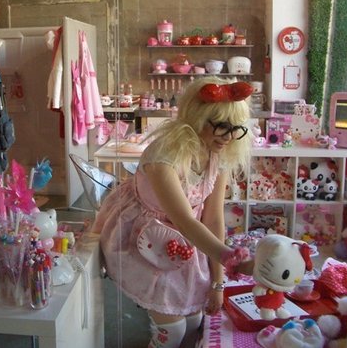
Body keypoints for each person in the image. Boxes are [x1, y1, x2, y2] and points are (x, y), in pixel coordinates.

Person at [92, 76, 255, 348]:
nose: (228, 137)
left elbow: (212, 218)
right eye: (221, 126)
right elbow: (186, 222)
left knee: (194, 323)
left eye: (235, 129)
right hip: (143, 236)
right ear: (197, 117)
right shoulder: (164, 155)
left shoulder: (217, 154)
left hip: (187, 241)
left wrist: (218, 282)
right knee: (173, 332)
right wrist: (231, 259)